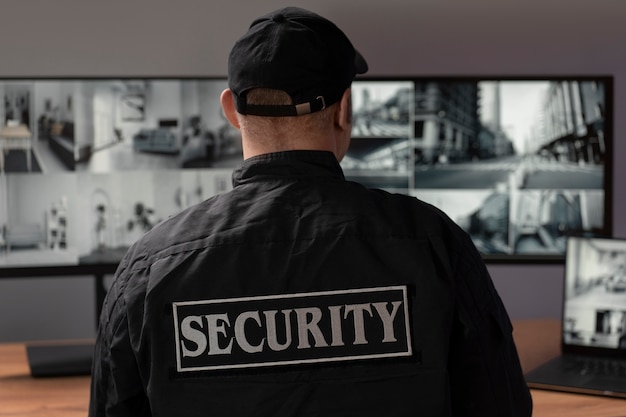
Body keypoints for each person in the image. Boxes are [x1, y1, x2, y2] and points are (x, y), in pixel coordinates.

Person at [89, 6, 532, 417]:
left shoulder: (148, 269)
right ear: (344, 110)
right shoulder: (436, 243)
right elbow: (502, 405)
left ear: (231, 111)